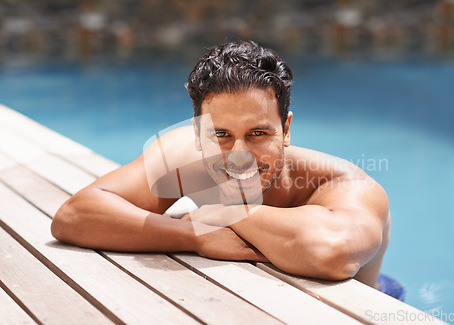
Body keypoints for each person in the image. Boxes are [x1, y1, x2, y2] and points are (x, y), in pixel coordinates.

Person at [51, 41, 402, 300]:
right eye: (220, 134)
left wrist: (226, 212)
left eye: (258, 133)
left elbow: (331, 252)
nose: (239, 156)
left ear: (287, 129)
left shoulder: (344, 183)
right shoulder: (183, 154)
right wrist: (195, 236)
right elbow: (75, 215)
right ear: (198, 132)